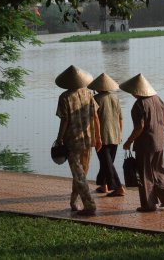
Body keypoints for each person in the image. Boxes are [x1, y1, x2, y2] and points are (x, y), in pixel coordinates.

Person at [120, 73, 164, 212]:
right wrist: (161, 135)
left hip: (145, 144)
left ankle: (148, 205)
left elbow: (140, 127)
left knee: (145, 173)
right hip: (159, 141)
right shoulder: (158, 100)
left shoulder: (139, 104)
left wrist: (128, 141)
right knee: (157, 170)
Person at [55, 65, 102, 216]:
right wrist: (98, 137)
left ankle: (90, 206)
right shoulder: (88, 93)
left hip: (72, 141)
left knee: (79, 174)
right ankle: (73, 201)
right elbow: (95, 116)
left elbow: (65, 120)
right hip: (88, 139)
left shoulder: (64, 97)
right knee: (81, 173)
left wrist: (59, 138)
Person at [88, 73, 125, 197]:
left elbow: (93, 119)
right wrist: (120, 133)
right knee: (107, 162)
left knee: (107, 163)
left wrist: (95, 137)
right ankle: (104, 185)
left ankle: (118, 187)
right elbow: (120, 118)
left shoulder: (96, 99)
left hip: (102, 135)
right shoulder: (115, 98)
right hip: (115, 134)